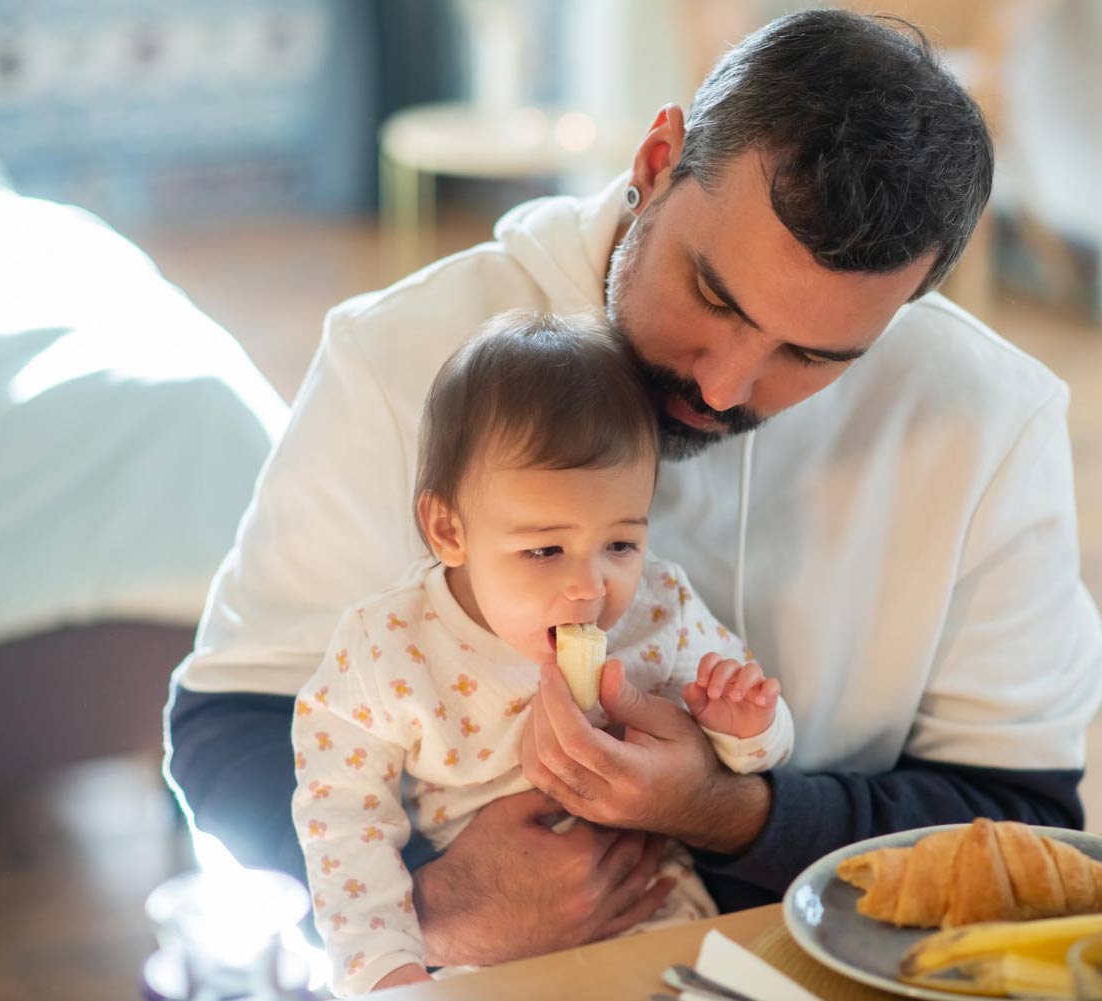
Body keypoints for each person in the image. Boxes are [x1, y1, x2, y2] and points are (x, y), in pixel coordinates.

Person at [166, 8, 1102, 967]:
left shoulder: (990, 423)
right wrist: (433, 907)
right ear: (658, 159)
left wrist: (730, 812)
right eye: (713, 296)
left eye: (814, 355)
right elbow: (227, 724)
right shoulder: (393, 361)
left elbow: (1022, 817)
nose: (724, 386)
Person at [291, 311, 793, 994]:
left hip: (664, 928)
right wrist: (384, 965)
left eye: (620, 542)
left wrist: (749, 727)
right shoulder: (389, 650)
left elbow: (756, 755)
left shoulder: (658, 606)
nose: (591, 587)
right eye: (544, 550)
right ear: (448, 529)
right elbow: (340, 819)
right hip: (486, 957)